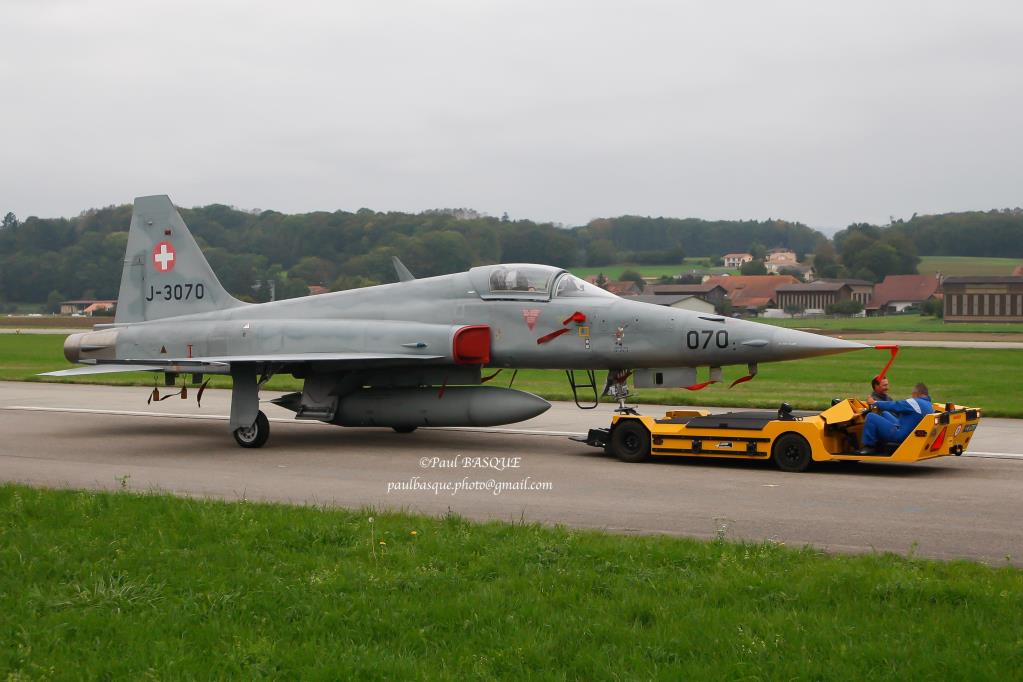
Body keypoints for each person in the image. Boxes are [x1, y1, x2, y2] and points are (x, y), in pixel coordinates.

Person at [857, 382, 933, 455]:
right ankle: (877, 440)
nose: (912, 396)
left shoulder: (915, 402)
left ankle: (869, 447)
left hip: (901, 435)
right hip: (909, 431)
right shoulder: (929, 405)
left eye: (912, 395)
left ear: (916, 394)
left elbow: (896, 405)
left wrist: (875, 403)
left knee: (871, 416)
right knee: (885, 413)